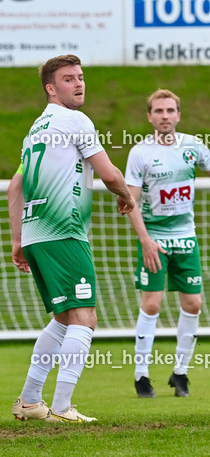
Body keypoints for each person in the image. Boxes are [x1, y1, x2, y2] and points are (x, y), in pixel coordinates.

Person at [10, 55, 138, 423]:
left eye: (81, 77)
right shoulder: (74, 120)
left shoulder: (35, 129)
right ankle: (63, 409)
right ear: (51, 88)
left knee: (64, 318)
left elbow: (16, 186)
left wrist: (18, 240)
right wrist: (126, 195)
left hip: (37, 233)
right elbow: (110, 174)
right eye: (68, 79)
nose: (79, 84)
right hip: (62, 230)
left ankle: (31, 401)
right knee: (85, 317)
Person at [125, 89, 210, 399]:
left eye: (170, 110)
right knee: (152, 304)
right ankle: (141, 376)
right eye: (158, 111)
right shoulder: (140, 153)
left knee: (194, 303)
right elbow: (130, 202)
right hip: (155, 240)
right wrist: (145, 240)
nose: (164, 116)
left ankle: (180, 373)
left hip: (186, 238)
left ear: (178, 115)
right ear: (149, 116)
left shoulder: (192, 145)